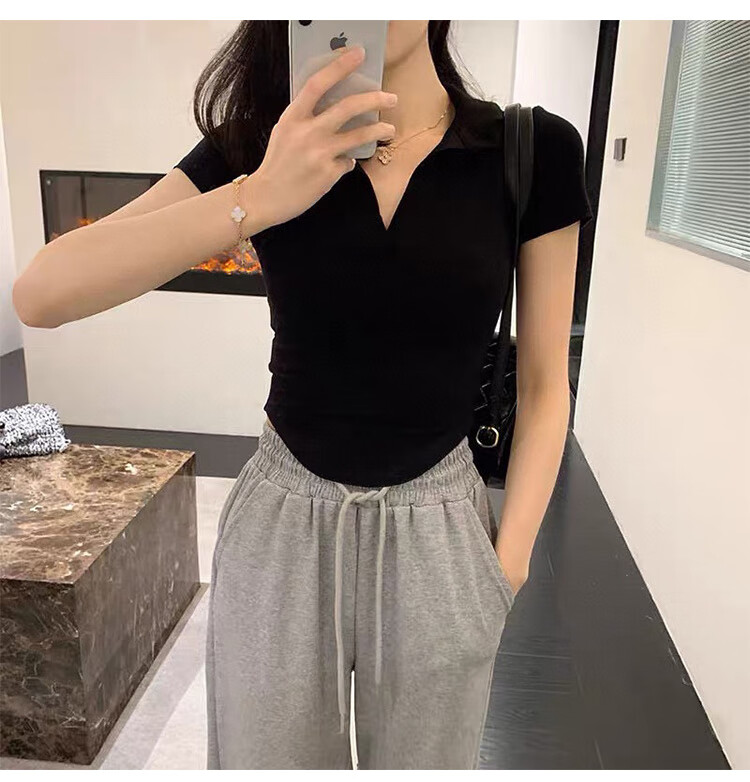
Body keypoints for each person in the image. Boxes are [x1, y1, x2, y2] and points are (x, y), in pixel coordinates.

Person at [13, 20, 592, 770]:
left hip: (442, 530)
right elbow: (42, 294)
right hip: (280, 527)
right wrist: (258, 195)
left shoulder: (532, 150)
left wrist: (507, 564)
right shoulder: (266, 143)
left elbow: (545, 384)